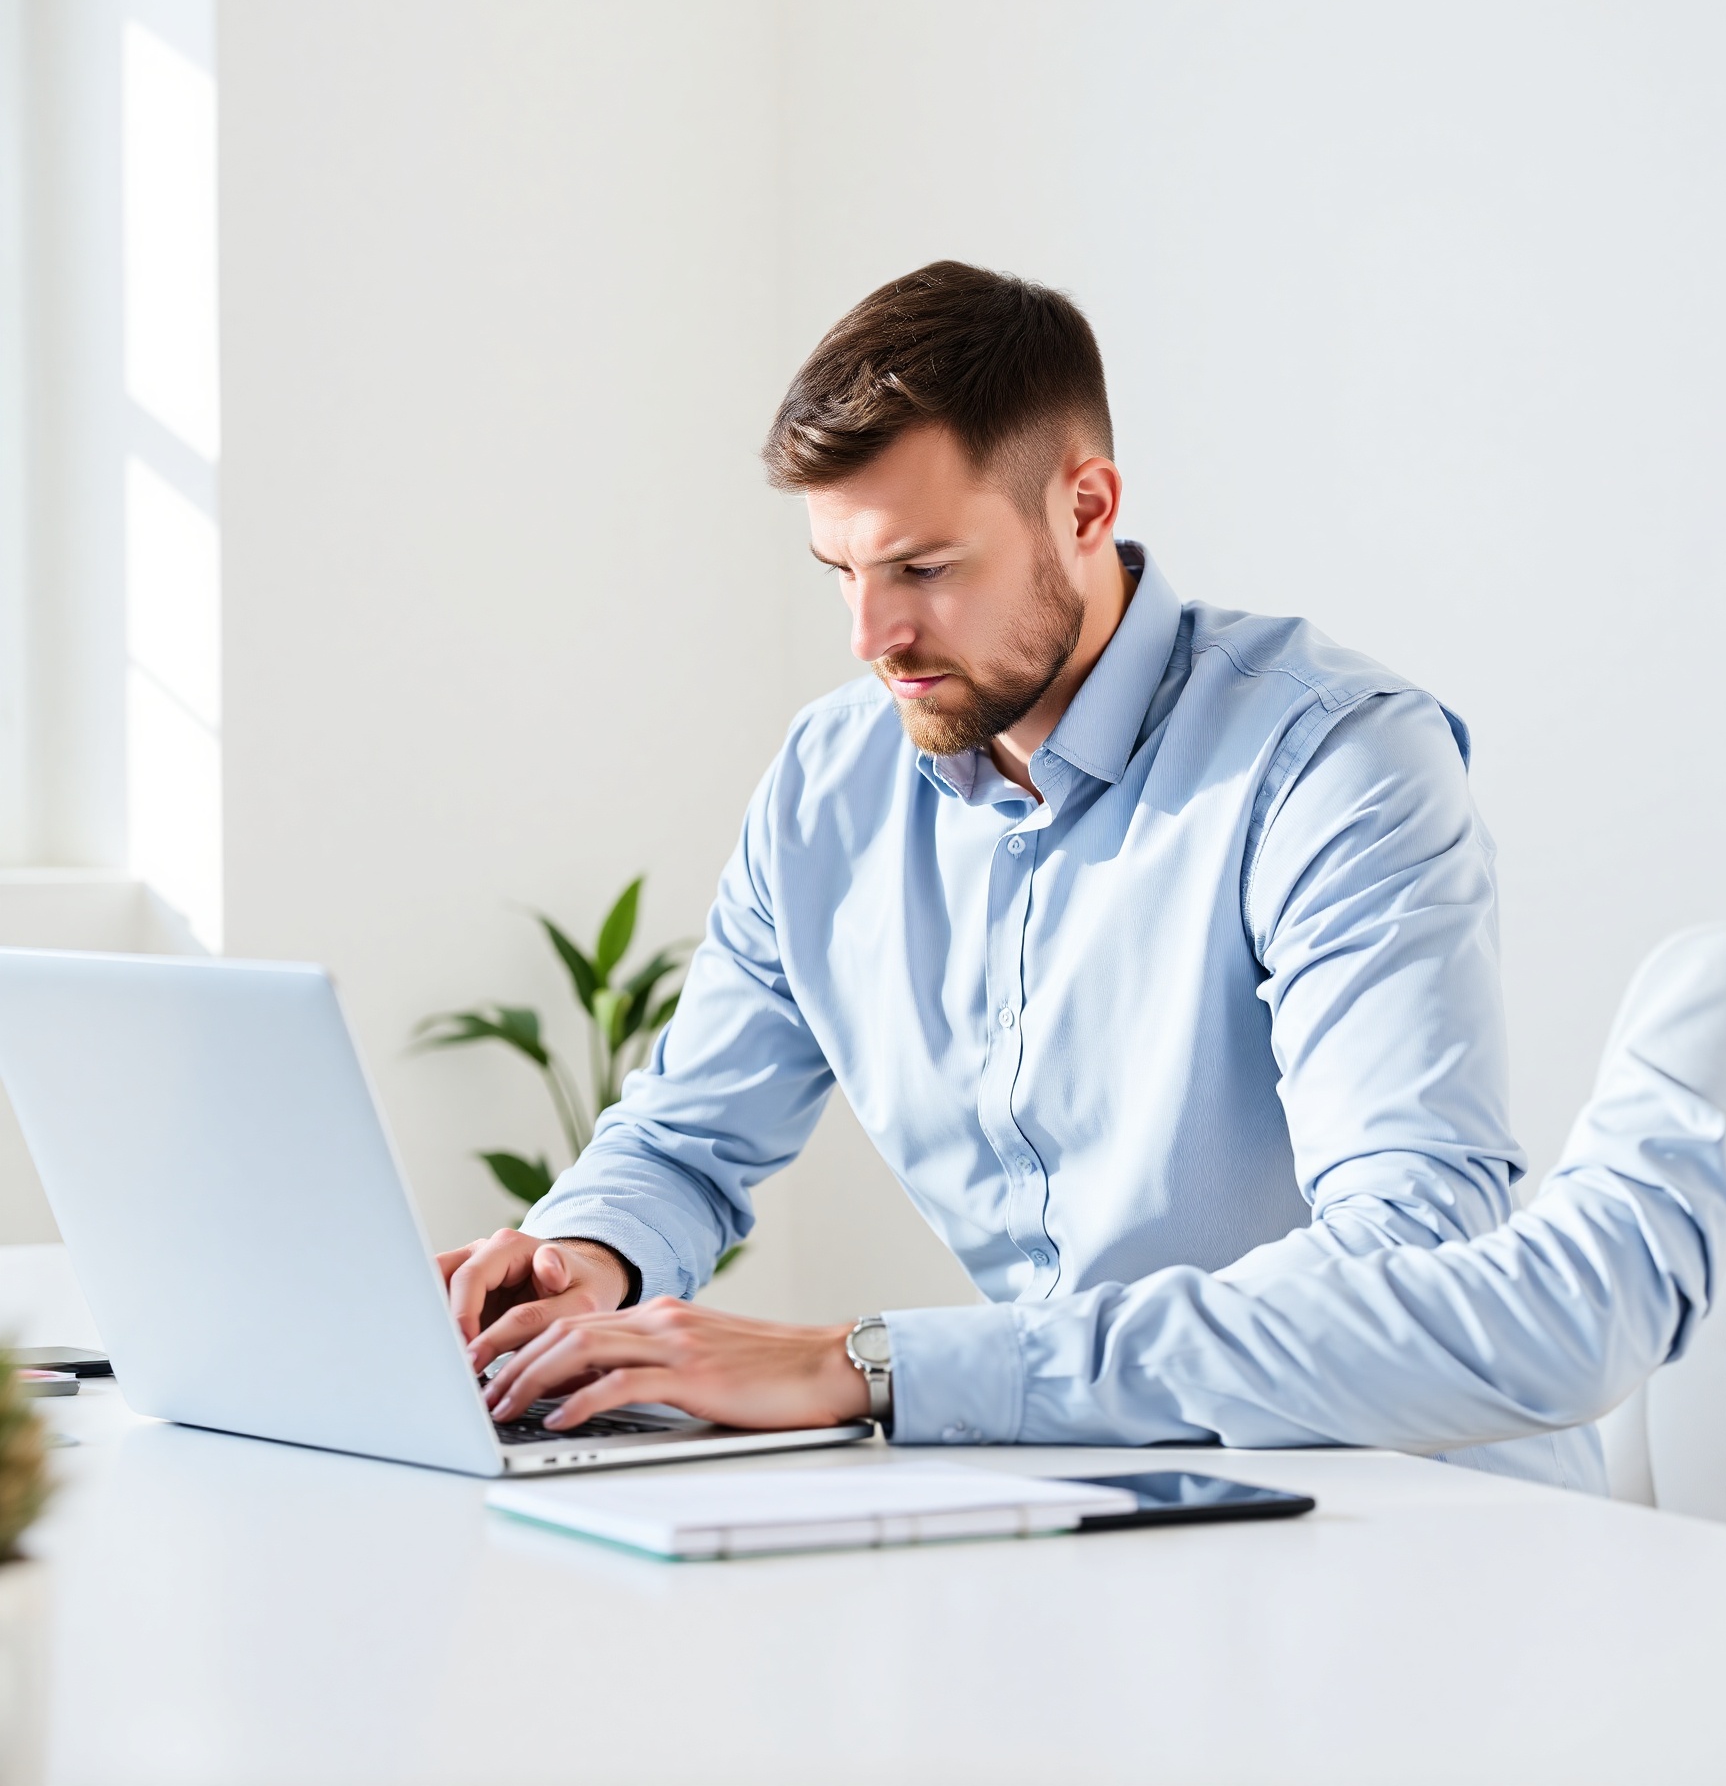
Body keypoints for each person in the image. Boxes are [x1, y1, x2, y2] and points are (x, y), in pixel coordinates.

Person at [441, 262, 1641, 1488]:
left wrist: (874, 1363)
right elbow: (690, 1140)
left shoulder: (1335, 766)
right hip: (1113, 1510)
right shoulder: (827, 783)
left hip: (1421, 1512)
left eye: (922, 568)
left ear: (1083, 505)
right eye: (839, 573)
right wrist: (582, 1257)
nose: (871, 638)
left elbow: (1409, 1261)